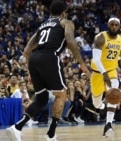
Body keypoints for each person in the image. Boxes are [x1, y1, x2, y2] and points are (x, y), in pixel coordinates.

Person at [5, 1, 90, 141]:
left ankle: (17, 127)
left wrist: (32, 68)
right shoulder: (66, 22)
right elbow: (70, 41)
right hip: (50, 57)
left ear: (51, 13)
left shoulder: (42, 26)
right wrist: (83, 65)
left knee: (42, 98)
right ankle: (51, 134)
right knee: (62, 95)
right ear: (64, 12)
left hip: (34, 58)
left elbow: (27, 50)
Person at [90, 17, 121, 137]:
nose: (114, 27)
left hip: (111, 71)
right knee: (96, 103)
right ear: (108, 25)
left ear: (119, 26)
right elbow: (96, 59)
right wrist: (103, 74)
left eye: (116, 25)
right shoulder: (100, 37)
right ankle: (101, 106)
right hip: (97, 72)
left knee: (114, 93)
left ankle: (108, 125)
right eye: (112, 25)